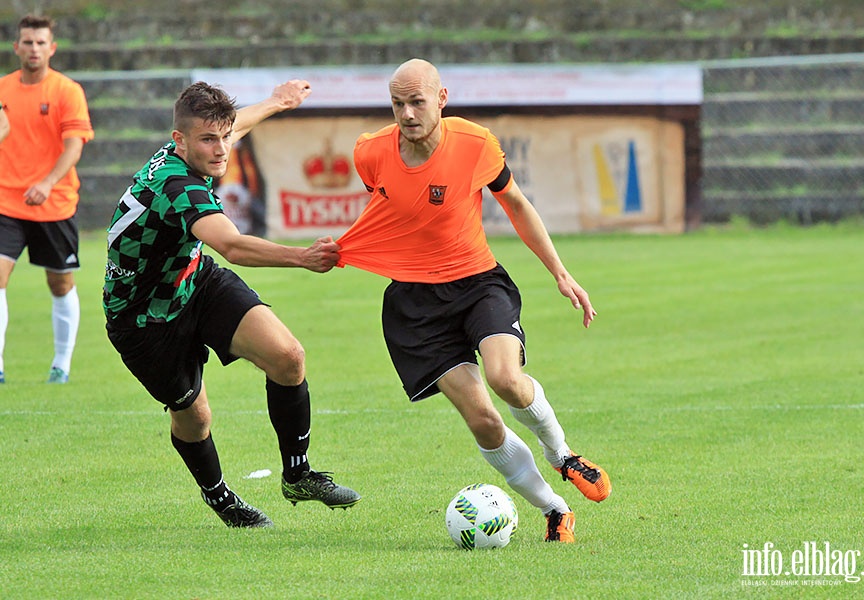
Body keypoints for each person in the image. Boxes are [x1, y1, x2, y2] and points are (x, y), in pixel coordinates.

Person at [337, 59, 611, 543]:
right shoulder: (369, 153)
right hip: (415, 307)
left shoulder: (475, 143)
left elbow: (518, 206)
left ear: (441, 99)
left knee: (506, 379)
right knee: (483, 420)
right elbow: (392, 212)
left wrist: (560, 273)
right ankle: (554, 508)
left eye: (417, 101)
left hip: (478, 284)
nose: (406, 113)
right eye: (397, 103)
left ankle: (562, 454)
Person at [103, 80, 360, 528]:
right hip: (142, 318)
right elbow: (233, 246)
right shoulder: (178, 185)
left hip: (193, 282)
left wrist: (278, 103)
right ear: (179, 140)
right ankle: (219, 497)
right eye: (208, 139)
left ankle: (297, 474)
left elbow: (232, 127)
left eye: (223, 136)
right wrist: (302, 257)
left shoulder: (196, 147)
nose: (221, 149)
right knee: (195, 416)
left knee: (288, 356)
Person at [0, 14, 93, 384]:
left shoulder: (67, 91)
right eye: (28, 42)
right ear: (16, 47)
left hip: (53, 202)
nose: (34, 48)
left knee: (61, 285)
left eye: (41, 42)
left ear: (51, 48)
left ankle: (61, 364)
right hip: (6, 202)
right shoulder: (3, 90)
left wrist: (47, 182)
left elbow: (74, 147)